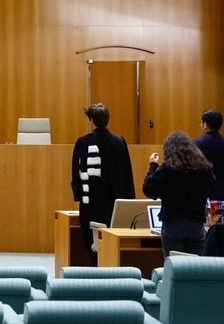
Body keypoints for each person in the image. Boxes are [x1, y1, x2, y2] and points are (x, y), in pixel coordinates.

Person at [71, 103, 135, 263]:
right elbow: (127, 174)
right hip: (116, 205)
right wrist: (129, 200)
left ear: (91, 120)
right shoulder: (120, 141)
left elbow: (76, 172)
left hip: (90, 204)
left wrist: (77, 195)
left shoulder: (83, 142)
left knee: (92, 245)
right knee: (112, 245)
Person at [142, 131, 215, 258]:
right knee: (196, 268)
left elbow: (148, 189)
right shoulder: (203, 168)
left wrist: (153, 166)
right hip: (196, 224)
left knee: (174, 267)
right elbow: (212, 188)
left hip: (173, 224)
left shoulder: (168, 168)